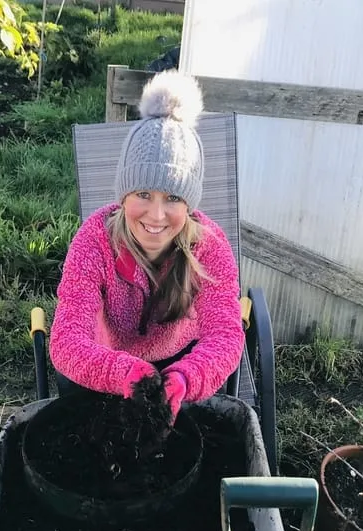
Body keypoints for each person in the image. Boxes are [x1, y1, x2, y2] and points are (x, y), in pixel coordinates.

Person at [50, 70, 245, 422]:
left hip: (181, 362)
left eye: (172, 197)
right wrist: (125, 373)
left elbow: (225, 337)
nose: (156, 216)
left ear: (190, 204)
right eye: (143, 194)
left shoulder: (210, 247)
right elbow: (66, 342)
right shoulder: (94, 240)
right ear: (124, 195)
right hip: (106, 361)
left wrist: (188, 377)